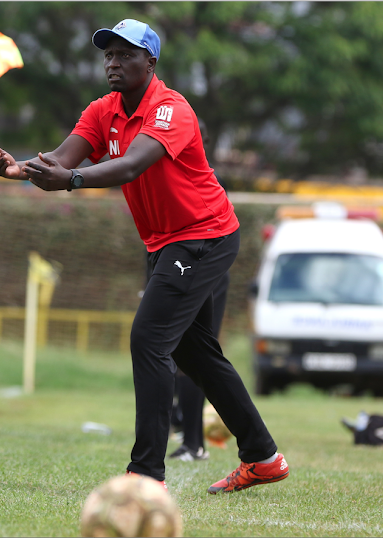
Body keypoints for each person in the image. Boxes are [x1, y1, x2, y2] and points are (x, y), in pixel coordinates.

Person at [0, 18, 288, 493]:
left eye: (125, 54)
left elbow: (131, 165)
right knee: (197, 353)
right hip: (166, 242)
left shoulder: (171, 109)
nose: (113, 62)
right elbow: (61, 161)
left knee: (149, 339)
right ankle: (263, 456)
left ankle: (146, 475)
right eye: (108, 54)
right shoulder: (102, 110)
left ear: (150, 62)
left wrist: (74, 182)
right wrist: (20, 169)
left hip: (204, 235)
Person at [168, 118, 229, 463]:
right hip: (176, 270)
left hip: (206, 273)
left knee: (194, 356)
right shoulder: (167, 172)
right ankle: (184, 432)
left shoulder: (204, 178)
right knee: (174, 353)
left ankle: (194, 443)